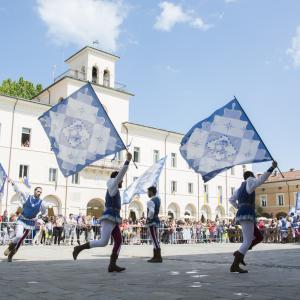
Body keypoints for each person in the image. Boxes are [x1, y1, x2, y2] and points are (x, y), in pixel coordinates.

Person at [72, 152, 132, 272]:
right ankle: (79, 248)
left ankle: (112, 264)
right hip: (109, 218)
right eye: (121, 180)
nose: (122, 182)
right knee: (103, 242)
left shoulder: (115, 188)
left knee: (119, 241)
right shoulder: (112, 185)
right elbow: (119, 176)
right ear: (117, 179)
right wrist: (127, 161)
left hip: (114, 218)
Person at [229, 161, 277, 273]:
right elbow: (261, 180)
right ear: (250, 176)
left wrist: (239, 206)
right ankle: (236, 262)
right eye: (253, 176)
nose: (255, 178)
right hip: (247, 213)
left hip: (244, 213)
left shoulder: (240, 187)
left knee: (258, 236)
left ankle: (240, 254)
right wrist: (272, 168)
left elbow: (231, 199)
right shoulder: (250, 181)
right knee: (248, 240)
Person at [4, 179, 52, 262]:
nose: (39, 193)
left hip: (30, 223)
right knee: (18, 235)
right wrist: (13, 183)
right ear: (34, 191)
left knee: (21, 239)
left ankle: (11, 255)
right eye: (38, 191)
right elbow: (19, 191)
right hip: (21, 220)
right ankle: (10, 247)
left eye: (40, 192)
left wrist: (50, 216)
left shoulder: (41, 202)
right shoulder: (27, 196)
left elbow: (50, 206)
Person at [146, 186, 163, 263]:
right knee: (155, 238)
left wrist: (149, 218)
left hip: (152, 221)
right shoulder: (158, 199)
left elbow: (151, 211)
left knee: (154, 239)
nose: (147, 193)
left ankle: (158, 257)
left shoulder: (151, 201)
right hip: (156, 220)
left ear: (151, 192)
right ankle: (156, 256)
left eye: (148, 192)